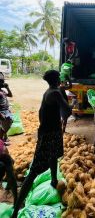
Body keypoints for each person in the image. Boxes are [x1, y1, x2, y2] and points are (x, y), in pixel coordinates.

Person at [11, 70, 72, 218]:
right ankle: (15, 210)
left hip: (48, 132)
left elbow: (41, 112)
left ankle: (53, 180)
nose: (60, 80)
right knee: (33, 172)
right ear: (56, 80)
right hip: (50, 134)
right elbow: (67, 112)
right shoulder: (55, 93)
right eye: (59, 78)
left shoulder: (50, 91)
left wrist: (64, 88)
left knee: (53, 157)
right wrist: (70, 101)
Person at [0, 128, 17, 205]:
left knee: (11, 174)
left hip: (4, 156)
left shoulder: (3, 150)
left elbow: (12, 177)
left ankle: (8, 187)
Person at [0, 77, 13, 143]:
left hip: (6, 110)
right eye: (1, 82)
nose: (3, 83)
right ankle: (1, 141)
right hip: (2, 111)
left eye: (3, 82)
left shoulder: (2, 91)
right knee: (7, 124)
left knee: (4, 125)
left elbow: (10, 95)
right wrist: (0, 114)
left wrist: (7, 87)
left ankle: (4, 139)